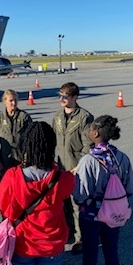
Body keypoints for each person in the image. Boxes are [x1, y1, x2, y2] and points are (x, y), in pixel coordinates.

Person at [0, 121, 75, 265]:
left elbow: (5, 209)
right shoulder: (62, 178)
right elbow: (69, 191)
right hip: (52, 244)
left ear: (26, 146)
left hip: (22, 244)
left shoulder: (12, 177)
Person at [74, 115, 133, 265]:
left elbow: (80, 195)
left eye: (90, 129)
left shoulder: (88, 161)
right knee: (112, 255)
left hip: (91, 218)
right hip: (113, 216)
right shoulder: (121, 158)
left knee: (90, 259)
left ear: (95, 133)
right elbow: (131, 188)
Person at [52, 82, 94, 254]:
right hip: (61, 168)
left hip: (76, 168)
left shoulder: (85, 117)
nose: (61, 99)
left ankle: (80, 238)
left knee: (78, 205)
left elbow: (88, 146)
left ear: (75, 97)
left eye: (65, 96)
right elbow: (54, 142)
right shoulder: (57, 117)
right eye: (60, 95)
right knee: (63, 204)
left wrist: (79, 166)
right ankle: (68, 232)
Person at [0, 89, 33, 181]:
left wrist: (27, 157)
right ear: (4, 101)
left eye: (15, 100)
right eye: (11, 100)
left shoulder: (24, 117)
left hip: (21, 159)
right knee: (6, 186)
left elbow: (31, 139)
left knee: (22, 185)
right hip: (5, 159)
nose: (14, 103)